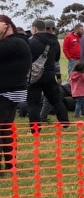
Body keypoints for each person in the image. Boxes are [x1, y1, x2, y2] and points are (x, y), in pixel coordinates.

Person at [0, 15, 31, 173]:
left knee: (4, 128)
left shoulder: (14, 42)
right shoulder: (17, 42)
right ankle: (10, 165)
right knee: (5, 129)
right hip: (11, 92)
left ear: (6, 25)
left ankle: (9, 165)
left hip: (7, 92)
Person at [26, 19, 70, 133]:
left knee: (33, 103)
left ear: (34, 28)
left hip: (34, 76)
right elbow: (56, 60)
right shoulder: (54, 42)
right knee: (56, 100)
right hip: (50, 75)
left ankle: (35, 130)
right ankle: (65, 124)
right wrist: (58, 76)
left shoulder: (31, 42)